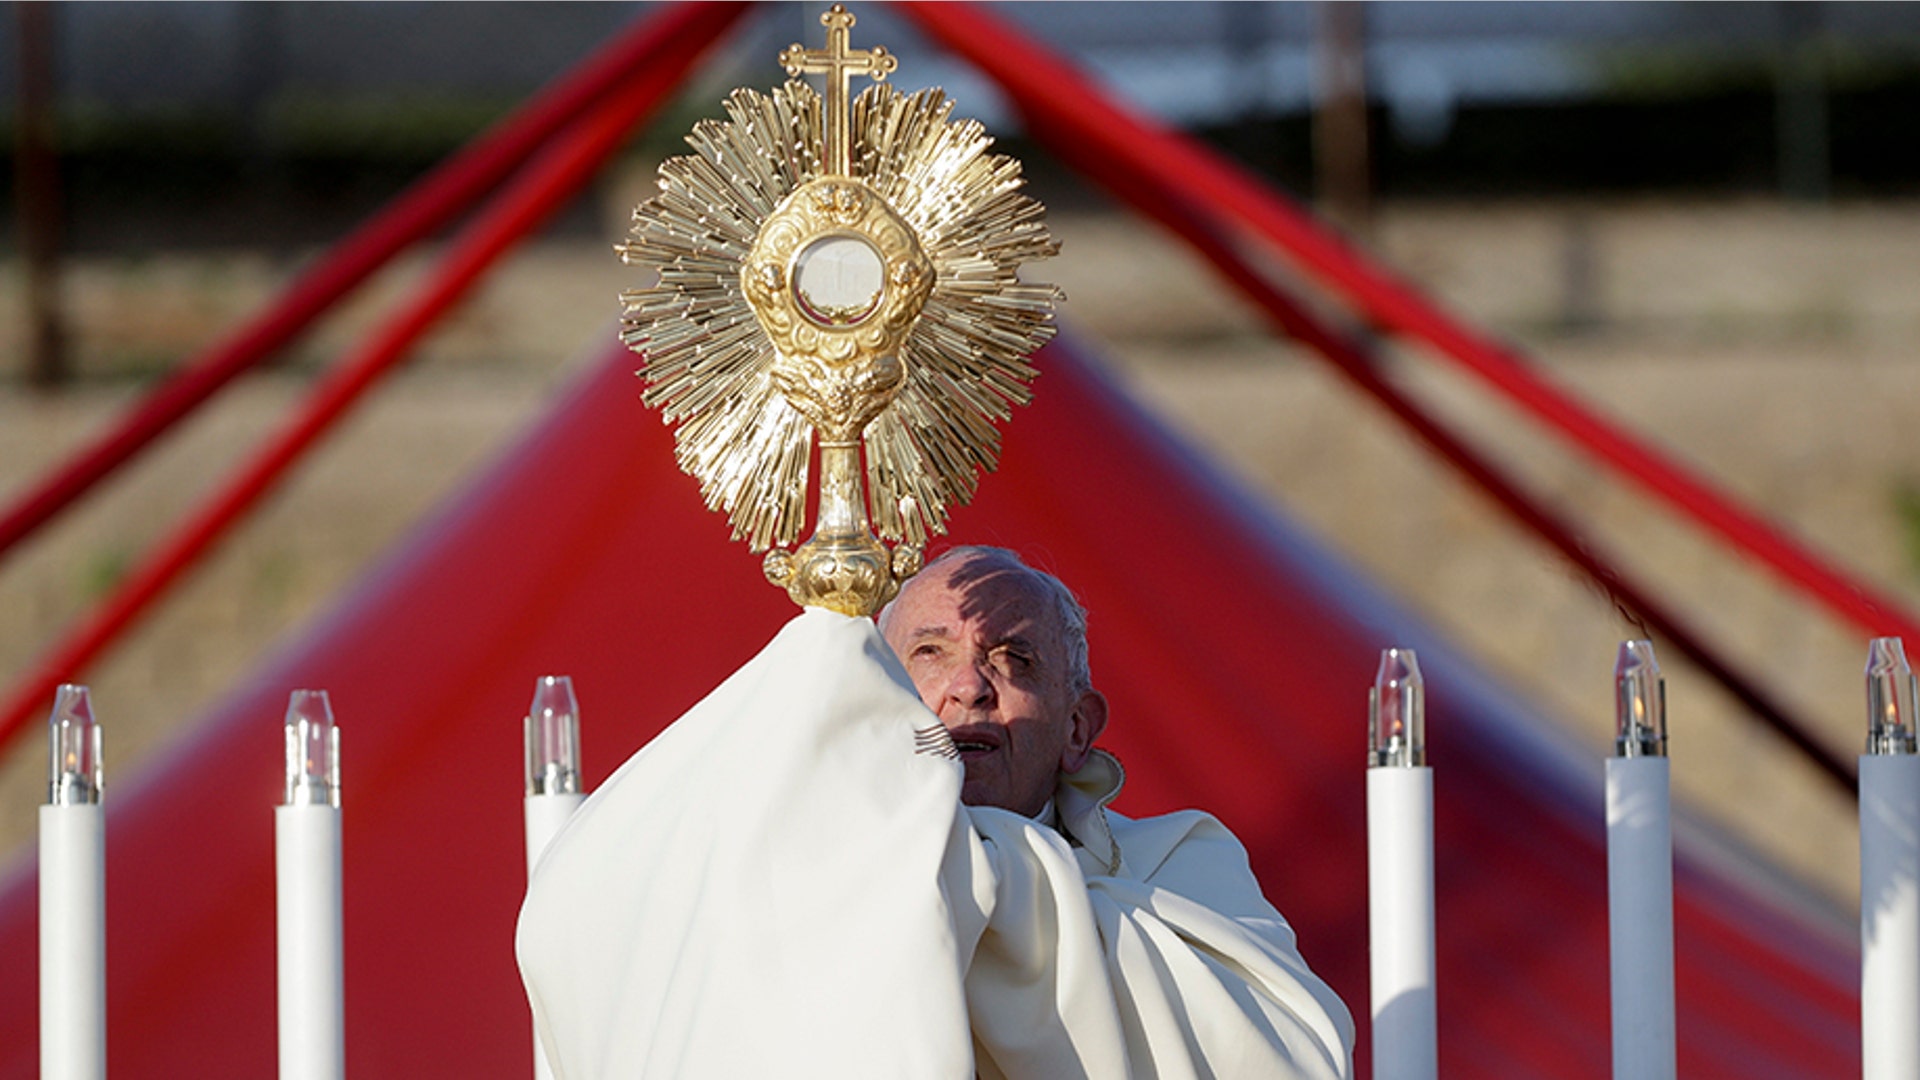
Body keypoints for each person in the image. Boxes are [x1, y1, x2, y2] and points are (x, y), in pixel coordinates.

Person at [516, 546, 1353, 1079]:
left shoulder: (1180, 871)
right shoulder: (778, 870)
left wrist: (978, 870)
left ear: (1076, 728)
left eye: (1014, 658)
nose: (970, 685)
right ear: (869, 696)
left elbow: (1290, 1060)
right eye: (928, 654)